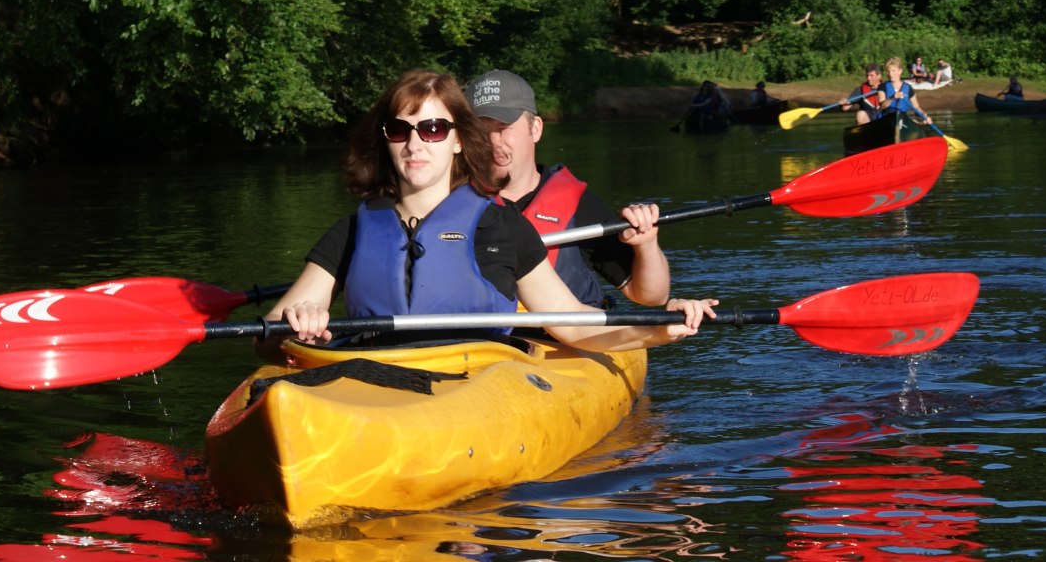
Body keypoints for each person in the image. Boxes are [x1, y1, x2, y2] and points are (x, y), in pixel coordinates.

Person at [253, 69, 717, 363]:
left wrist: (662, 329)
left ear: (457, 139)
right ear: (386, 139)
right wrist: (298, 324)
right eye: (400, 129)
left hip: (475, 379)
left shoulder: (502, 227)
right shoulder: (354, 230)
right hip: (375, 375)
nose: (416, 145)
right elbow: (268, 339)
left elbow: (576, 326)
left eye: (433, 129)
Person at [465, 68, 669, 310]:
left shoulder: (581, 207)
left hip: (567, 341)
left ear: (535, 129)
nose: (493, 142)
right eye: (481, 131)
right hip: (486, 342)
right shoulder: (451, 207)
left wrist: (645, 244)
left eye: (503, 127)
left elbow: (652, 296)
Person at [880, 57, 933, 125]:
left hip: (903, 118)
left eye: (893, 70)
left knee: (918, 122)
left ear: (900, 71)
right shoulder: (882, 87)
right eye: (888, 71)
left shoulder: (908, 88)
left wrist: (924, 115)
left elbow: (916, 107)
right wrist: (892, 98)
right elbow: (882, 107)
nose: (890, 74)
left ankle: (921, 123)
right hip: (887, 119)